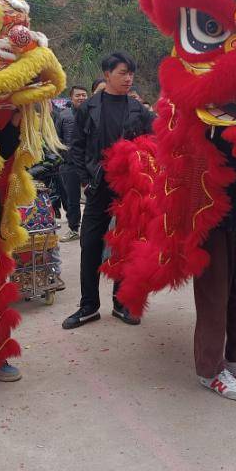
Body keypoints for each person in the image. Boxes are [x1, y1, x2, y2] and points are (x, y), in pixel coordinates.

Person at [62, 52, 154, 329]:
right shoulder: (88, 108)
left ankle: (122, 303)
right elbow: (76, 147)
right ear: (107, 74)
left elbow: (154, 142)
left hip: (129, 189)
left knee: (125, 245)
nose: (128, 79)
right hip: (98, 186)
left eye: (131, 74)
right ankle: (89, 306)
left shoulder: (138, 111)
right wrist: (85, 181)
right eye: (123, 73)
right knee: (90, 244)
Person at [55, 85, 89, 242]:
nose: (81, 98)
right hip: (69, 165)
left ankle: (92, 228)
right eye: (78, 95)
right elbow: (57, 139)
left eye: (84, 95)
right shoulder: (63, 116)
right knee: (72, 199)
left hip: (90, 164)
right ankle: (74, 228)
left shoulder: (93, 114)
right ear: (71, 97)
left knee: (94, 197)